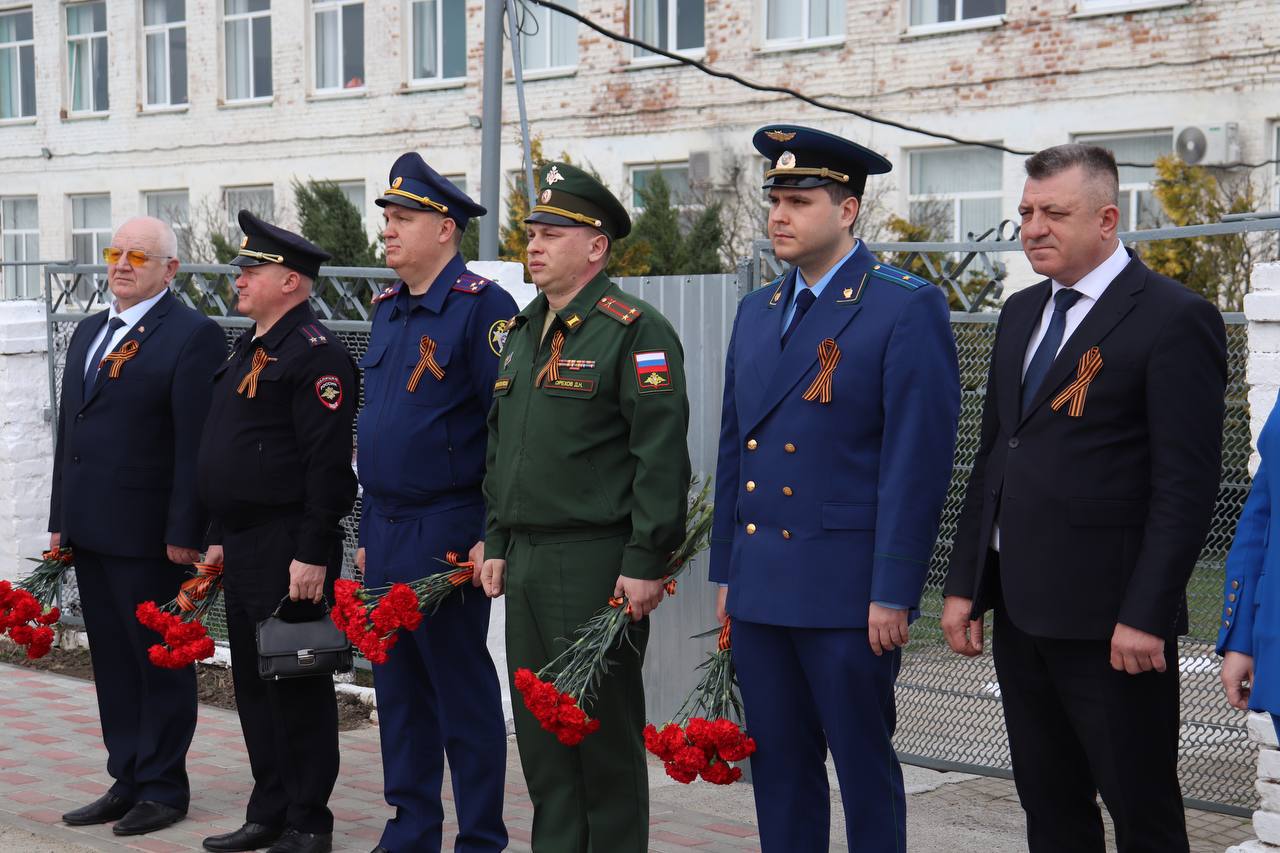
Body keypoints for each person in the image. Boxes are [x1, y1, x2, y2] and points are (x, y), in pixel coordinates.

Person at [942, 143, 1228, 853]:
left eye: (1054, 213)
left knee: (1143, 815)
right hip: (1022, 616)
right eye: (1025, 212)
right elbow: (995, 459)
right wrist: (965, 585)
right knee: (1051, 808)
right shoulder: (1020, 313)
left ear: (1106, 219)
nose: (1033, 227)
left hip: (1114, 629)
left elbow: (1185, 488)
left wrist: (1146, 615)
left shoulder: (1174, 317)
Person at [709, 125, 960, 852]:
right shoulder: (758, 309)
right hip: (762, 582)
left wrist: (894, 589)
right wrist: (727, 571)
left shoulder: (902, 305)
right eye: (775, 201)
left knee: (862, 769)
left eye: (800, 201)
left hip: (847, 591)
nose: (779, 216)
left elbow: (917, 463)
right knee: (779, 771)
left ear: (847, 210)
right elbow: (735, 447)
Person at [479, 161, 691, 852]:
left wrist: (646, 558)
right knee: (543, 738)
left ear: (596, 246)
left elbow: (660, 457)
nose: (534, 244)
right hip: (528, 560)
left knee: (600, 738)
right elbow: (501, 449)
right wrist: (497, 539)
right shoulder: (522, 330)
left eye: (552, 233)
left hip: (596, 561)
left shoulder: (634, 330)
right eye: (531, 232)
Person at [355, 152, 514, 853]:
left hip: (448, 528)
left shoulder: (483, 308)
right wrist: (367, 530)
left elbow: (508, 430)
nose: (387, 229)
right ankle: (411, 828)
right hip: (387, 526)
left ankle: (479, 837)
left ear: (445, 228)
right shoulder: (387, 309)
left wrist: (489, 530)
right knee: (397, 692)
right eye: (387, 217)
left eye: (402, 218)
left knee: (460, 692)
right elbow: (381, 427)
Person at [48, 216, 225, 837]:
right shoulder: (90, 330)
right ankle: (125, 776)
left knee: (157, 661)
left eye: (139, 256)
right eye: (115, 252)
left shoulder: (192, 335)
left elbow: (195, 444)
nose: (121, 265)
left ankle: (163, 787)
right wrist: (60, 519)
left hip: (152, 537)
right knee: (114, 663)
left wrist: (187, 531)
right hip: (92, 529)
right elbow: (70, 433)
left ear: (170, 269)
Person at [196, 211, 358, 853]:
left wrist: (312, 552)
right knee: (253, 684)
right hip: (242, 540)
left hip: (288, 543)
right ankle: (268, 810)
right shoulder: (252, 346)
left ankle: (308, 822)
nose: (239, 278)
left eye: (252, 269)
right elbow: (232, 447)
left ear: (291, 281)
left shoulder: (317, 355)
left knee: (295, 683)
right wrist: (217, 530)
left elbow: (327, 467)